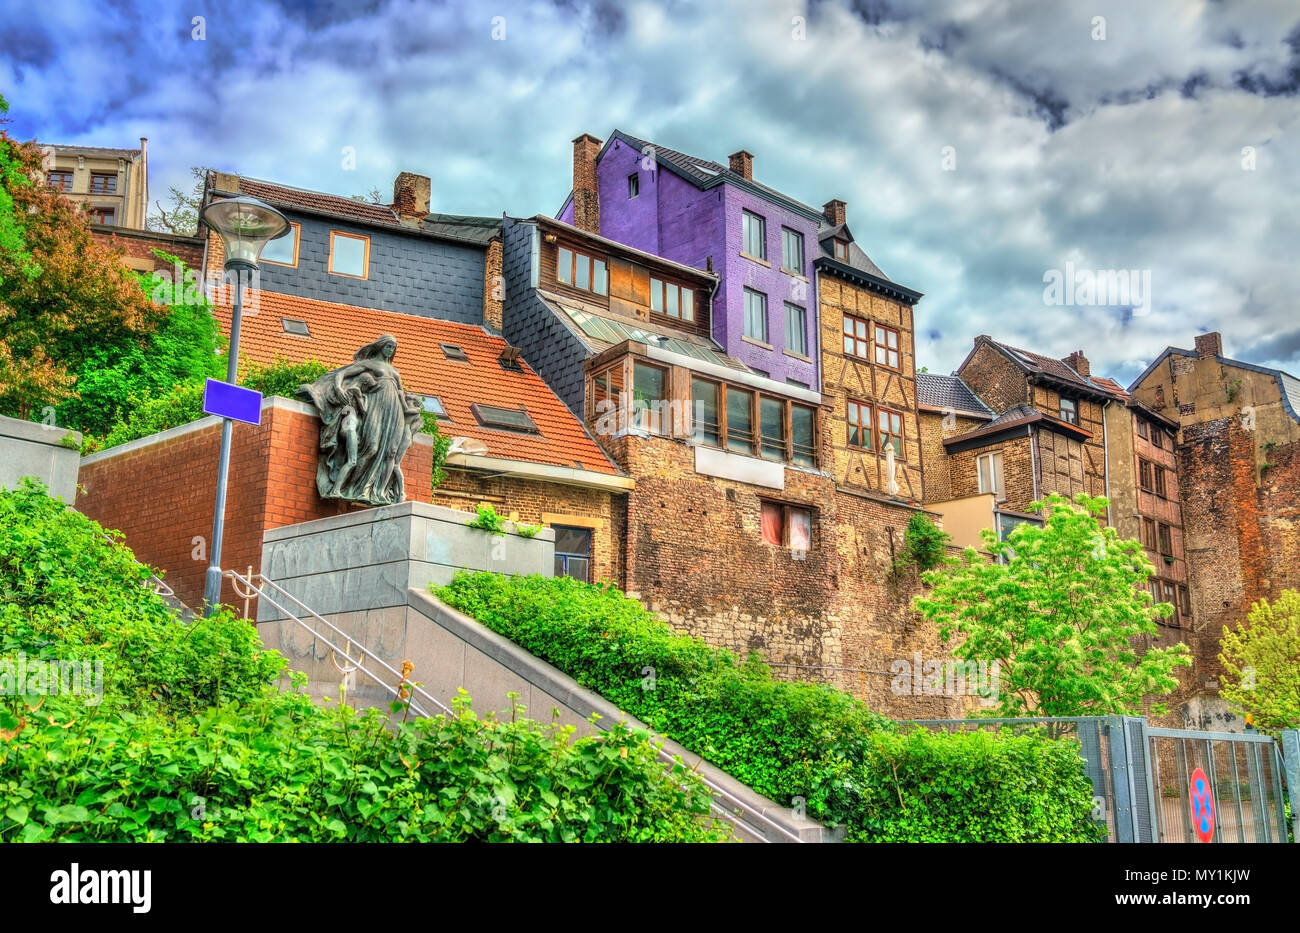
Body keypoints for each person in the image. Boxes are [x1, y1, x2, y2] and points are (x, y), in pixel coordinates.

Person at [297, 335, 424, 506]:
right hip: (375, 407)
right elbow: (342, 374)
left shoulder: (395, 372)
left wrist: (405, 411)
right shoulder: (370, 364)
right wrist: (338, 387)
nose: (390, 350)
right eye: (388, 346)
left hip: (394, 412)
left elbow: (401, 393)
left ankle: (377, 491)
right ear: (380, 346)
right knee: (371, 447)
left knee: (390, 453)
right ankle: (353, 487)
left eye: (393, 348)